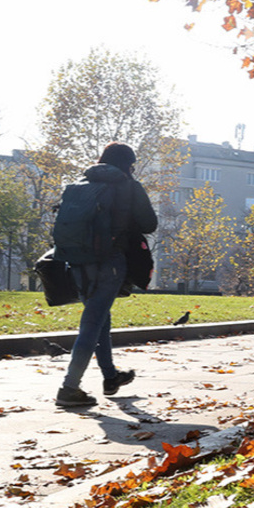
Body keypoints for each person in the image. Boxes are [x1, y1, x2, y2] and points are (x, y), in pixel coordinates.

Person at [55, 142, 158, 408]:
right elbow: (149, 224)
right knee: (92, 323)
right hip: (110, 261)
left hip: (77, 260)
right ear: (128, 164)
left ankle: (110, 377)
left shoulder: (80, 183)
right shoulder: (128, 186)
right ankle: (69, 387)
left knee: (100, 317)